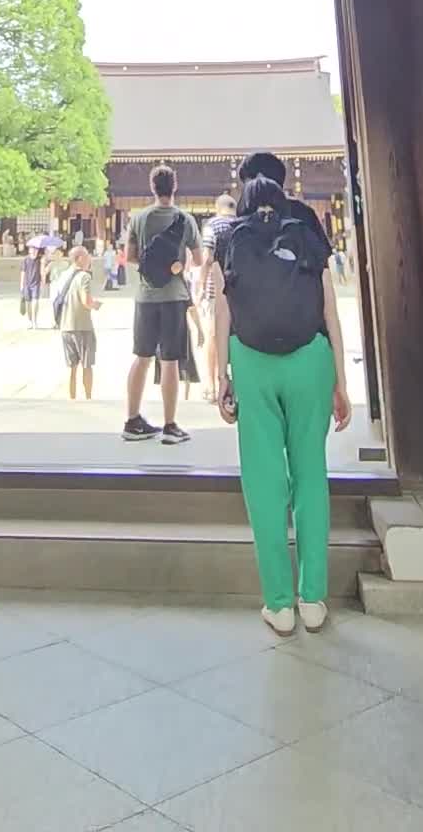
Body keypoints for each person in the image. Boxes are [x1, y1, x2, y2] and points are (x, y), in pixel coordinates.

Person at [212, 151, 352, 638]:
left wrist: (220, 377)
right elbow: (330, 308)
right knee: (311, 473)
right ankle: (312, 598)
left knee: (265, 481)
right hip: (310, 359)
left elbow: (221, 311)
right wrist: (341, 380)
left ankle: (279, 604)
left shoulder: (228, 233)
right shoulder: (308, 221)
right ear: (284, 182)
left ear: (247, 184)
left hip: (251, 363)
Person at [123, 162, 201, 445]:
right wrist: (178, 265)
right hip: (174, 297)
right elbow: (200, 259)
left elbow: (130, 258)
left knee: (142, 357)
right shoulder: (185, 219)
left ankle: (132, 420)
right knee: (170, 362)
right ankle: (170, 426)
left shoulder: (138, 218)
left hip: (145, 297)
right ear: (175, 187)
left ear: (152, 188)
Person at [200, 192, 238, 400]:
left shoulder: (212, 226)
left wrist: (200, 286)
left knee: (213, 336)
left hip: (216, 289)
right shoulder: (243, 224)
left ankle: (212, 385)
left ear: (217, 207)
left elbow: (207, 258)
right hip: (241, 291)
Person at [57, 244, 102, 399]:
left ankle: (72, 398)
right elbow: (85, 301)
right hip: (82, 325)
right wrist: (95, 305)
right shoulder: (84, 276)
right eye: (88, 255)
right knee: (86, 364)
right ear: (80, 258)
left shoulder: (63, 275)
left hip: (65, 325)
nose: (90, 258)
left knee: (71, 366)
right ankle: (88, 397)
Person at [20, 241, 45, 327]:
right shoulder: (25, 260)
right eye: (32, 249)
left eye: (36, 249)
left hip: (36, 283)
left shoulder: (40, 260)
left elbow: (42, 271)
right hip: (27, 283)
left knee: (36, 302)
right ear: (29, 250)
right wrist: (21, 285)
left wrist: (43, 281)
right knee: (28, 303)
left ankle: (35, 320)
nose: (34, 251)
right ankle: (29, 320)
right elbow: (23, 272)